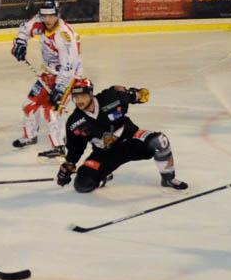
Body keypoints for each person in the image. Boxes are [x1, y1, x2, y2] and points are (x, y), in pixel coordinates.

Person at [56, 78, 188, 193]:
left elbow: (137, 95)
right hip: (104, 153)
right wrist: (68, 166)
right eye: (76, 97)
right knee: (82, 185)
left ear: (91, 93)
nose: (79, 100)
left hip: (131, 141)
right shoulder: (74, 122)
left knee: (159, 140)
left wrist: (138, 94)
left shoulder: (110, 97)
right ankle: (104, 175)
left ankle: (168, 179)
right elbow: (75, 148)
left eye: (83, 96)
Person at [10, 0, 83, 161]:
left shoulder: (64, 36)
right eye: (44, 16)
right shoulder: (41, 20)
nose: (48, 20)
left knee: (52, 110)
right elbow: (25, 28)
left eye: (51, 16)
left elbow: (69, 67)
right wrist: (20, 43)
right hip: (49, 75)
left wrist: (60, 88)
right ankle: (30, 136)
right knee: (28, 105)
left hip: (69, 78)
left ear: (58, 15)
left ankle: (59, 146)